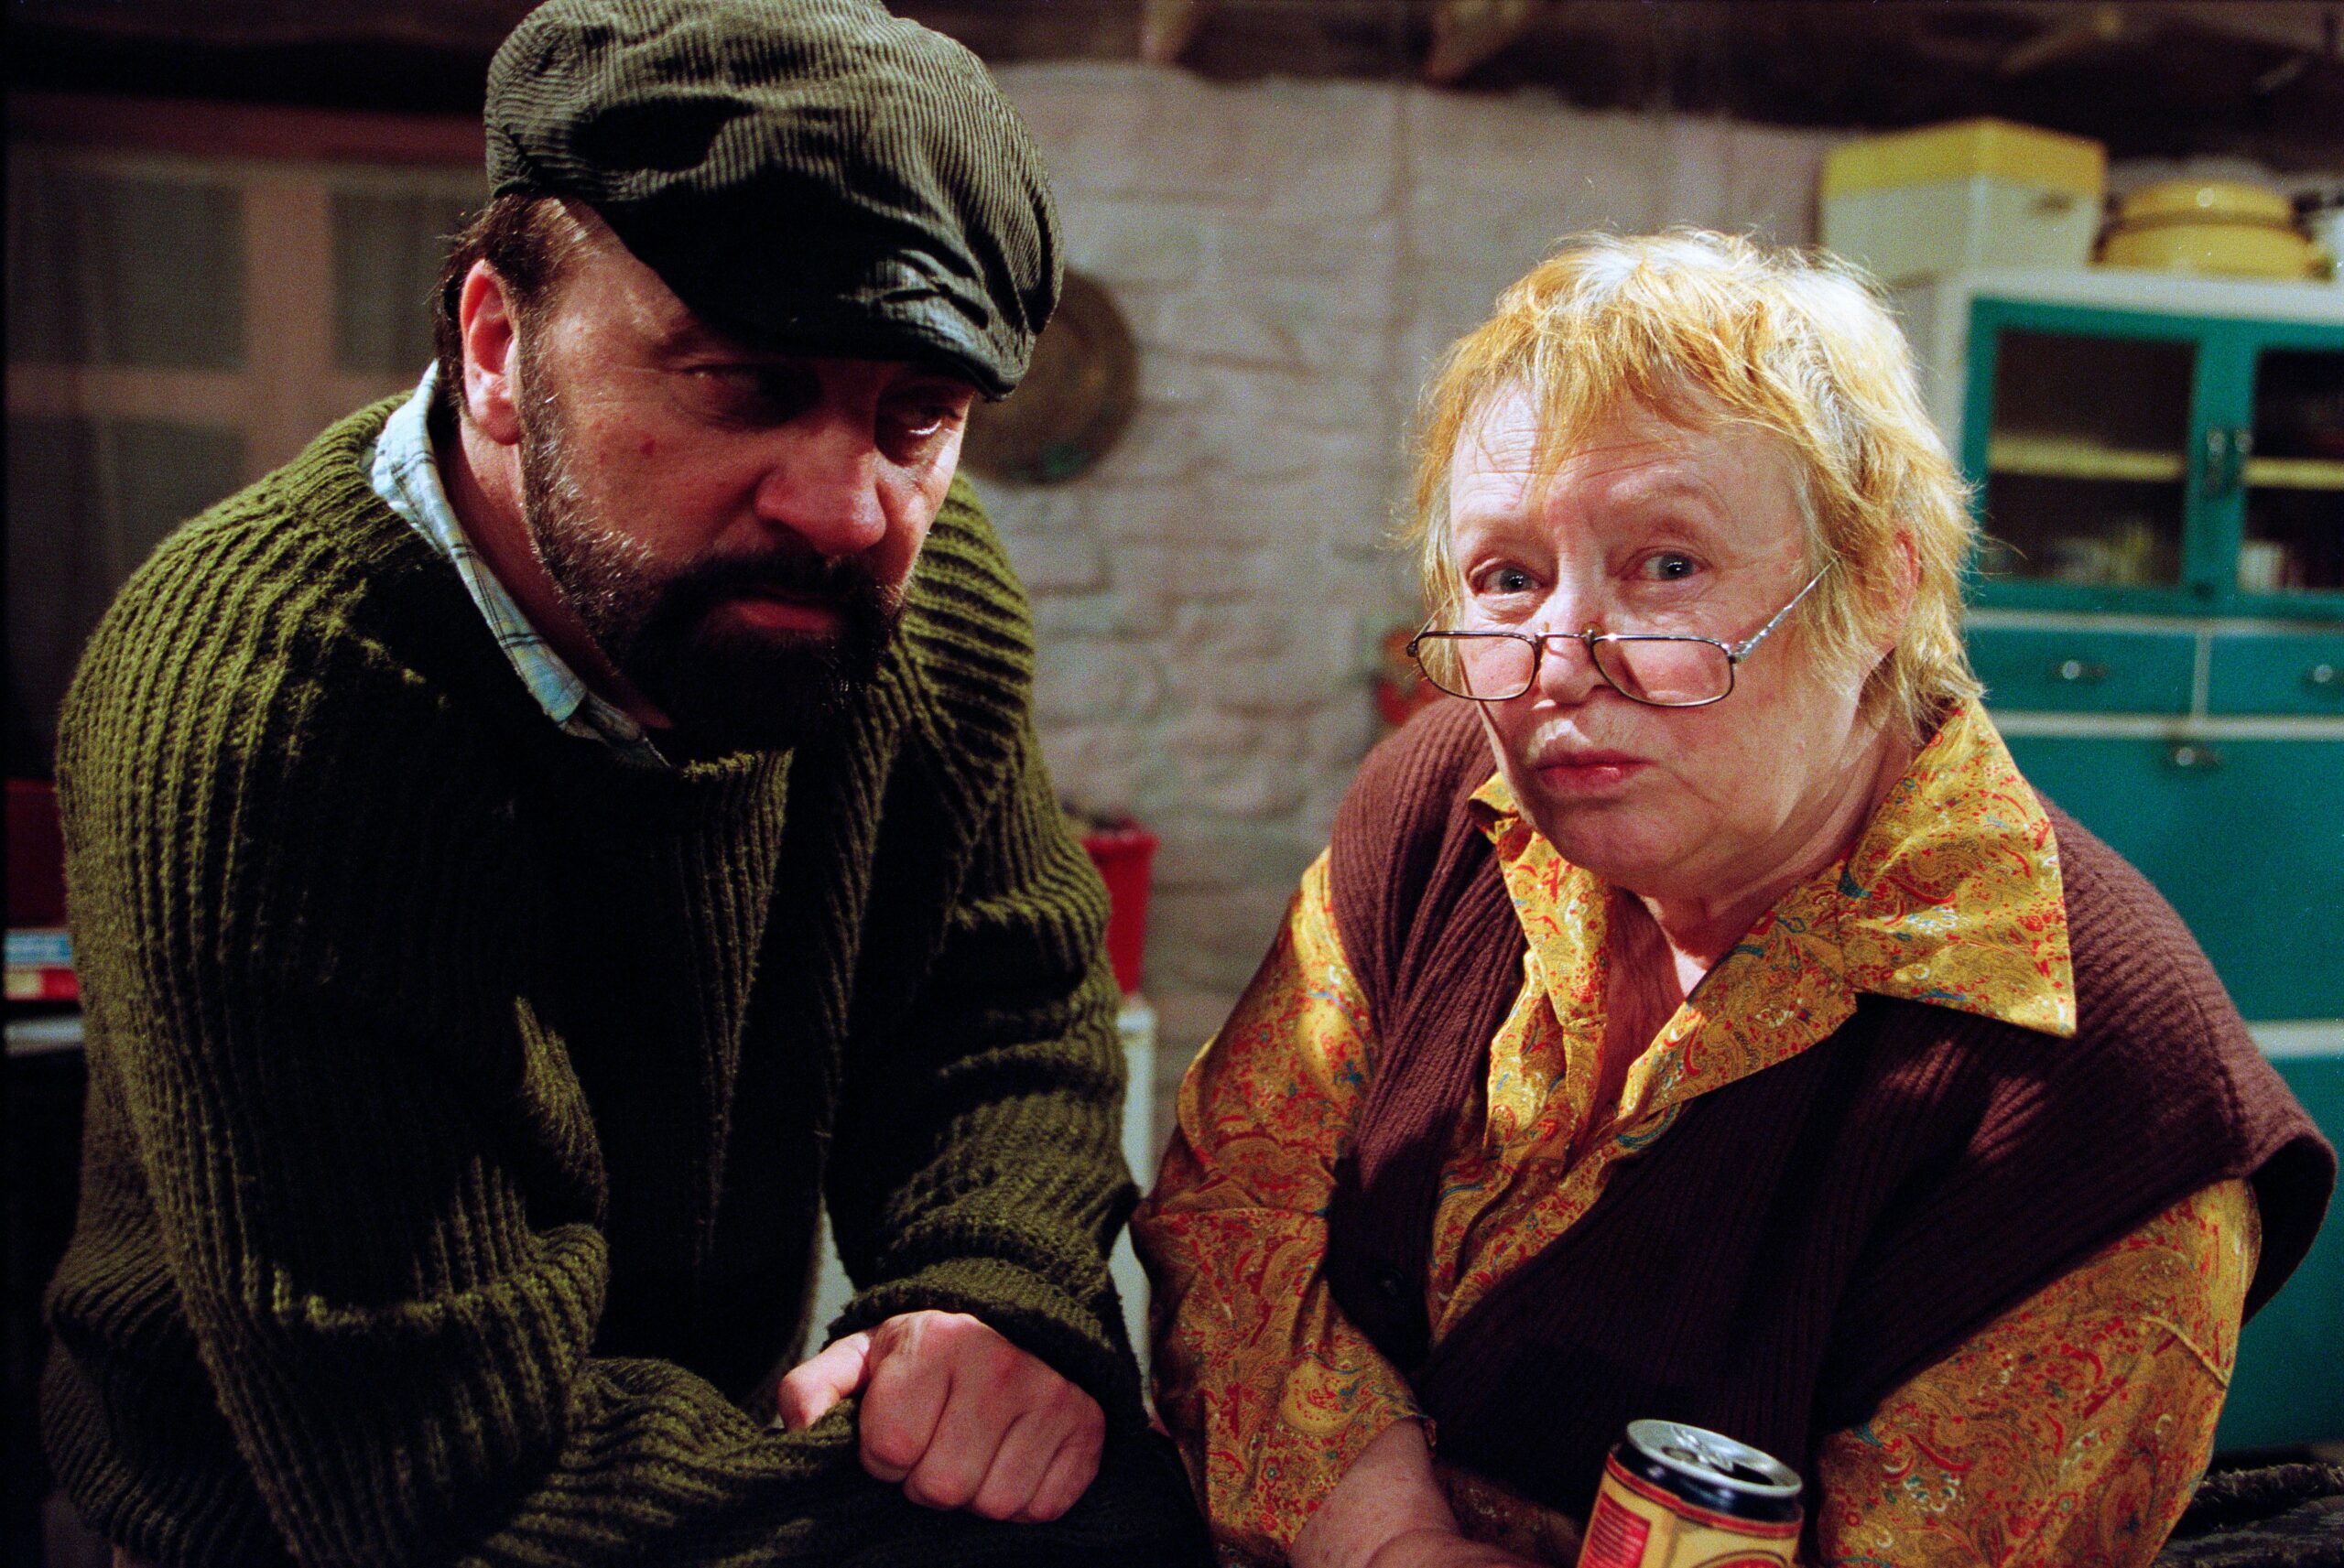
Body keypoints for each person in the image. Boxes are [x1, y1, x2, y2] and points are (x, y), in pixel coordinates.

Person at [41, 2, 1208, 1563]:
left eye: (916, 413)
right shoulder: (268, 714)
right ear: (498, 346)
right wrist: (950, 1496)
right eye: (741, 384)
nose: (846, 506)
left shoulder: (900, 601)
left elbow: (991, 1011)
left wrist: (987, 1297)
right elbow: (438, 1468)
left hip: (693, 1462)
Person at [1133, 232, 2335, 1568]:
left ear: (1881, 585)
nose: (1557, 666)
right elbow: (1232, 1214)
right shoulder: (1445, 802)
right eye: (1508, 576)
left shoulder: (2106, 1097)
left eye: (1667, 565)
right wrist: (1389, 1540)